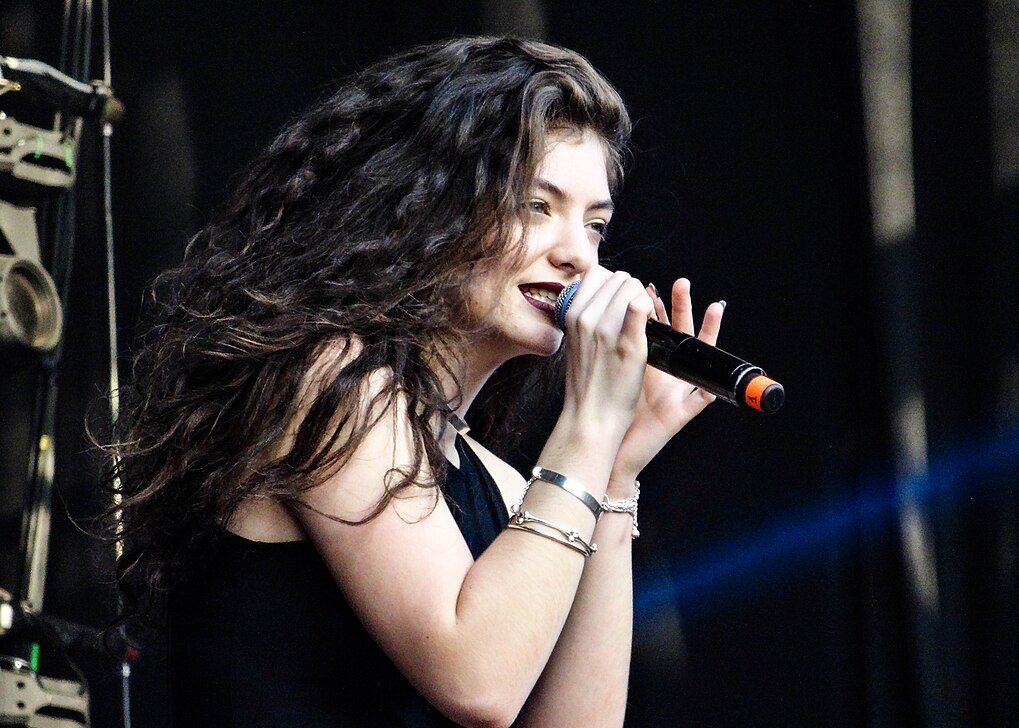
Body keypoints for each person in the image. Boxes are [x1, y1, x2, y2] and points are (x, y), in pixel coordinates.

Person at [104, 36, 724, 727]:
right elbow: (478, 681)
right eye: (535, 205)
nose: (578, 253)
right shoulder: (333, 383)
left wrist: (615, 471)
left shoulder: (505, 488)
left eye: (596, 224)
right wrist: (588, 423)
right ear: (429, 204)